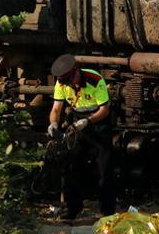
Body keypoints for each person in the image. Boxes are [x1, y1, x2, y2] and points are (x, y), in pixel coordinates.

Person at [48, 54, 116, 219]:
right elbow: (56, 108)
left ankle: (107, 211)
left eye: (71, 81)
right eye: (66, 83)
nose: (71, 85)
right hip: (77, 120)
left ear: (76, 72)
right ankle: (73, 209)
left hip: (98, 122)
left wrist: (88, 121)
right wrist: (54, 123)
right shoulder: (62, 83)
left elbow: (104, 110)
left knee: (104, 167)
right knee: (72, 165)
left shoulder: (94, 79)